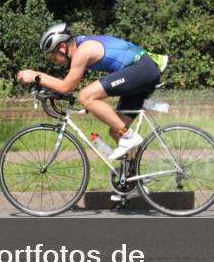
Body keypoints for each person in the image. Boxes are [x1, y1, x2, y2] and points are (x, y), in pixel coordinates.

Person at [15, 22, 167, 160]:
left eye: (52, 53)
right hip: (141, 70)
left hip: (141, 68)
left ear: (62, 47)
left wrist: (36, 76)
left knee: (86, 96)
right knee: (116, 130)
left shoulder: (83, 51)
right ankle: (134, 183)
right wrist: (39, 78)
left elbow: (67, 87)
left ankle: (128, 137)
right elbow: (66, 86)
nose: (52, 59)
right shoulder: (81, 45)